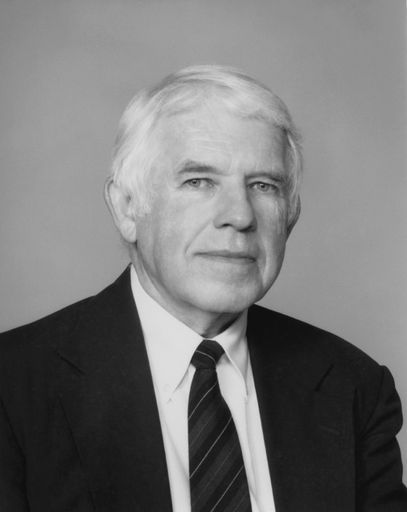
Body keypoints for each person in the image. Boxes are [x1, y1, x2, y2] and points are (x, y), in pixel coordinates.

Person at [0, 65, 406, 512]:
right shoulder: (14, 387)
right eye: (199, 181)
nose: (240, 215)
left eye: (263, 185)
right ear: (127, 208)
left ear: (290, 216)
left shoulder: (354, 389)